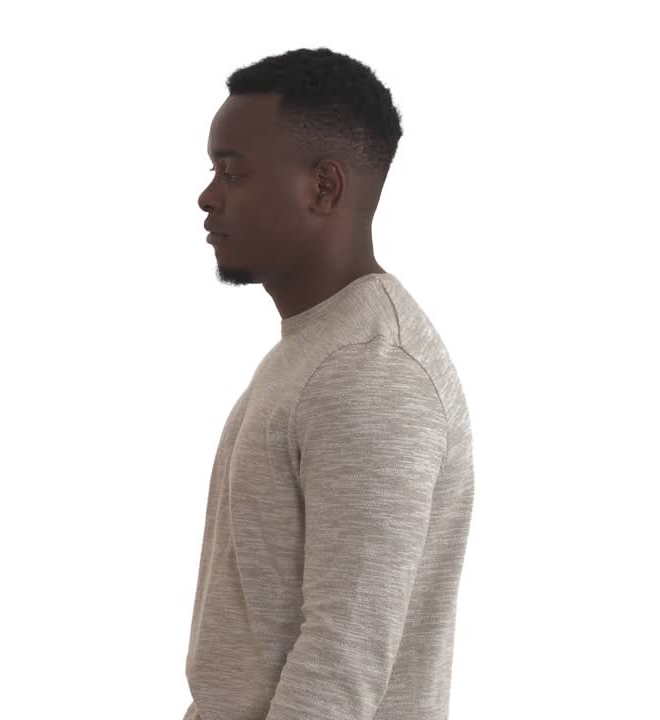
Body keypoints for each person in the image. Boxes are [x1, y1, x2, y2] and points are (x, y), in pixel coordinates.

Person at [185, 48, 474, 720]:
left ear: (324, 188)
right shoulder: (319, 347)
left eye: (233, 171)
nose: (207, 195)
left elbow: (343, 658)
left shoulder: (373, 370)